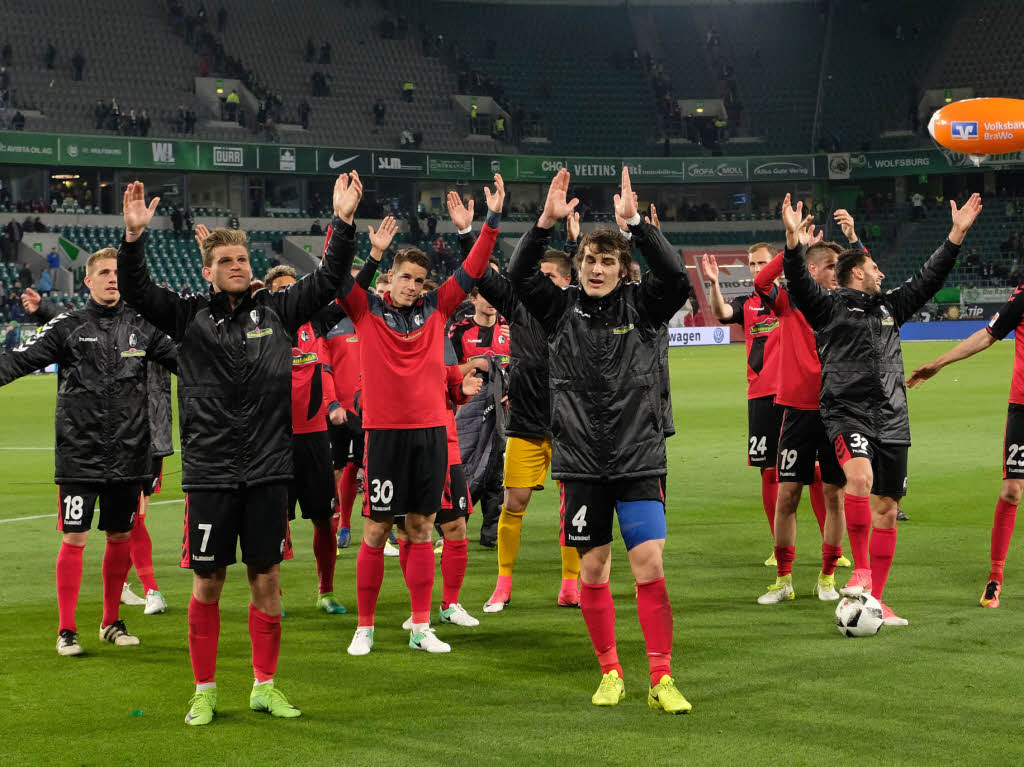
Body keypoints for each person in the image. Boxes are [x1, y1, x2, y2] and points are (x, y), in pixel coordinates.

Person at [116, 174, 360, 725]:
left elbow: (327, 281)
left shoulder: (276, 310)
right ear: (206, 271)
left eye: (242, 258)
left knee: (266, 578)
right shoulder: (187, 317)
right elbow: (137, 292)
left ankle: (265, 685)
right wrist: (134, 240)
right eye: (225, 260)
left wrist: (342, 224)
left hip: (269, 469)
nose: (237, 265)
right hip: (210, 473)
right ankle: (204, 689)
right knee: (208, 581)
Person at [509, 168, 691, 713]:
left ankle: (661, 678)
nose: (595, 268)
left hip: (637, 458)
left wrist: (636, 224)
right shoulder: (559, 308)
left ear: (622, 268)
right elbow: (518, 274)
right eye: (589, 260)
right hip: (582, 464)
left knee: (650, 564)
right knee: (592, 570)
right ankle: (610, 670)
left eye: (607, 261)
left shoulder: (645, 308)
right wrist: (543, 222)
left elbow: (678, 279)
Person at [781, 192, 983, 626]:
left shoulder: (891, 306)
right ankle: (862, 568)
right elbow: (798, 283)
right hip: (846, 410)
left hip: (892, 414)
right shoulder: (828, 306)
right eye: (874, 268)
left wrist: (956, 235)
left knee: (888, 508)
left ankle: (877, 600)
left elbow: (929, 278)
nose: (882, 272)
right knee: (859, 477)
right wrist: (793, 245)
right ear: (855, 273)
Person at [339, 175, 503, 657]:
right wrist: (349, 229)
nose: (411, 286)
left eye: (418, 279)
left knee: (420, 531)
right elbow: (335, 277)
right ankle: (364, 627)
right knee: (375, 530)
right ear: (389, 277)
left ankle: (420, 625)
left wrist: (483, 224)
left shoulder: (437, 309)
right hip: (385, 436)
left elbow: (473, 270)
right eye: (403, 277)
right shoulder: (366, 311)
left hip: (433, 435)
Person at [0, 248, 178, 656]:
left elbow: (189, 362)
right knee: (75, 538)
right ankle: (67, 630)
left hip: (131, 453)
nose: (112, 278)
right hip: (80, 454)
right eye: (103, 272)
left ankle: (111, 621)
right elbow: (19, 361)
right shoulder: (67, 325)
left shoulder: (143, 326)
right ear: (88, 280)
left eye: (117, 272)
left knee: (119, 537)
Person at [444, 192, 581, 610]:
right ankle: (503, 583)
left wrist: (575, 247)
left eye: (545, 276)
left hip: (572, 421)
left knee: (573, 505)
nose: (534, 281)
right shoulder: (518, 305)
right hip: (525, 418)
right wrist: (469, 232)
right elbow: (482, 275)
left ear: (562, 281)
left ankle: (571, 584)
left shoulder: (578, 306)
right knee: (513, 503)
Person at [749, 212, 861, 605]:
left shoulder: (847, 305)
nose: (836, 272)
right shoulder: (790, 303)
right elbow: (761, 282)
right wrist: (790, 246)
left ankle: (828, 578)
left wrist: (852, 239)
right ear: (811, 269)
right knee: (787, 496)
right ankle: (783, 580)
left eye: (838, 266)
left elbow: (872, 279)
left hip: (836, 413)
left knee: (834, 496)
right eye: (830, 266)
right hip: (796, 409)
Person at [907, 274, 1024, 608]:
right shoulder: (1023, 295)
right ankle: (995, 577)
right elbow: (988, 336)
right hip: (1023, 405)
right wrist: (940, 362)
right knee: (1012, 490)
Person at [265, 263, 347, 615]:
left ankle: (325, 592)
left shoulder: (316, 322)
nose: (287, 294)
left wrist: (372, 257)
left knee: (324, 520)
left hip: (314, 436)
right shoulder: (261, 327)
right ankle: (273, 595)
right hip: (274, 438)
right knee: (272, 523)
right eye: (280, 289)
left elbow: (347, 294)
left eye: (292, 287)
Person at [702, 244, 783, 566]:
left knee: (818, 475)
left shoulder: (793, 300)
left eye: (762, 262)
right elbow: (721, 313)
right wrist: (713, 284)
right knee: (769, 473)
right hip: (761, 395)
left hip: (799, 395)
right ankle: (779, 547)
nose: (755, 268)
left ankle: (834, 548)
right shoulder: (746, 303)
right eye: (751, 263)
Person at [449, 285, 510, 547]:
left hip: (506, 408)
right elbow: (448, 371)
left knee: (498, 469)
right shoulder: (460, 330)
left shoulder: (510, 327)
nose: (491, 301)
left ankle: (492, 533)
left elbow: (526, 364)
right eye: (486, 294)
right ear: (473, 298)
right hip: (469, 407)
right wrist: (474, 364)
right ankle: (455, 521)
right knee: (466, 463)